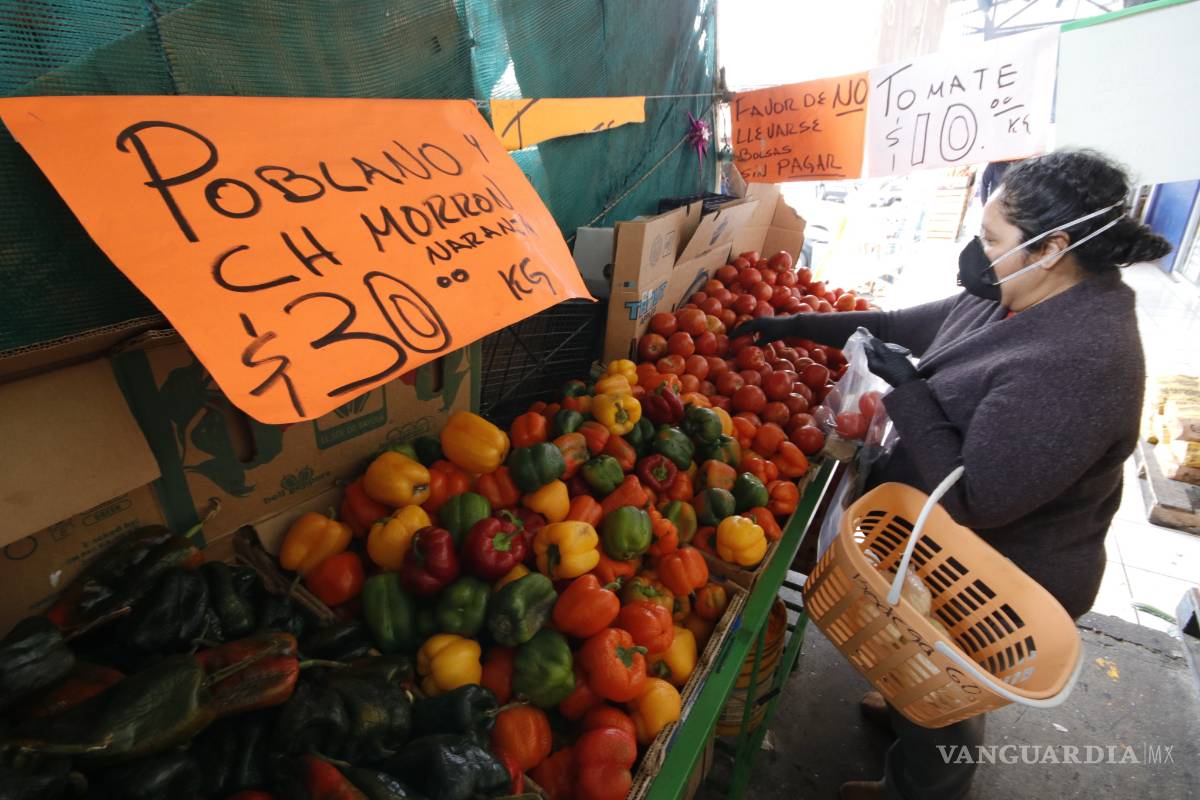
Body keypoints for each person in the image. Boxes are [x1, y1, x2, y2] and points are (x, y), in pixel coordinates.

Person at [732, 150, 1172, 800]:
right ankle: (911, 711)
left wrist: (910, 390)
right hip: (941, 544)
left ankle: (923, 787)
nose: (979, 250)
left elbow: (978, 498)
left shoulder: (1084, 361)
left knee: (947, 683)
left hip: (997, 574)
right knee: (918, 668)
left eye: (992, 239)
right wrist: (792, 326)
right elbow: (894, 326)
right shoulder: (1017, 294)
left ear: (1052, 247)